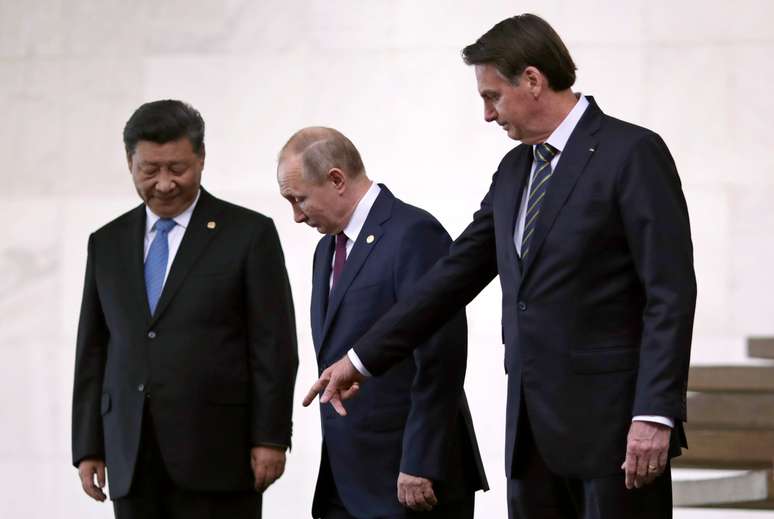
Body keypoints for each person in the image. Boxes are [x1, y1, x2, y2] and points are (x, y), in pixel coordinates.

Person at [304, 14, 696, 519]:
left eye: (492, 97)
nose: (488, 115)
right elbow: (452, 278)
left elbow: (669, 294)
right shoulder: (514, 170)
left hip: (617, 435)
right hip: (531, 438)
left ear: (532, 80)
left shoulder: (632, 153)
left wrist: (655, 413)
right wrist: (360, 360)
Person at [71, 99, 298, 519]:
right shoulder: (106, 243)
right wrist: (88, 446)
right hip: (131, 453)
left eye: (177, 169)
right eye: (149, 170)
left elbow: (274, 344)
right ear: (129, 162)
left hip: (219, 452)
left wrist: (271, 436)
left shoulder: (248, 234)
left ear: (201, 158)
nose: (163, 184)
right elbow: (94, 349)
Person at [277, 127, 488, 519]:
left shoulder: (413, 233)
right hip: (345, 480)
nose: (297, 216)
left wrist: (420, 460)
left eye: (300, 199)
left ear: (336, 179)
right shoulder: (326, 249)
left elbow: (440, 356)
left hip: (408, 478)